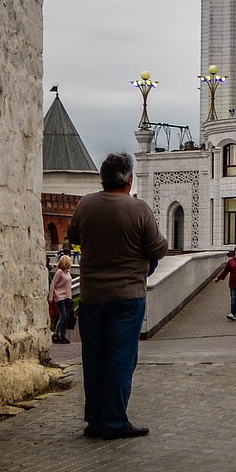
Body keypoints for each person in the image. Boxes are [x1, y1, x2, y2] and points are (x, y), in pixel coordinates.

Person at [66, 152, 167, 441]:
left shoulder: (86, 205)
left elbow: (73, 236)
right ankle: (114, 421)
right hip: (127, 296)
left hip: (91, 295)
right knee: (121, 359)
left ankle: (95, 421)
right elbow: (157, 248)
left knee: (94, 358)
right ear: (129, 179)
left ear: (102, 178)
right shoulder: (139, 209)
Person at [214, 245, 236, 320]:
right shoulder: (231, 262)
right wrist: (218, 278)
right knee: (233, 299)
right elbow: (225, 271)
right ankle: (232, 313)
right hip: (233, 283)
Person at [48, 254, 73, 343]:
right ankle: (56, 334)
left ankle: (62, 335)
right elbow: (53, 284)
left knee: (66, 317)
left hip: (68, 296)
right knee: (63, 315)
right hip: (60, 296)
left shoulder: (68, 272)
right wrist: (51, 296)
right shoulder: (59, 272)